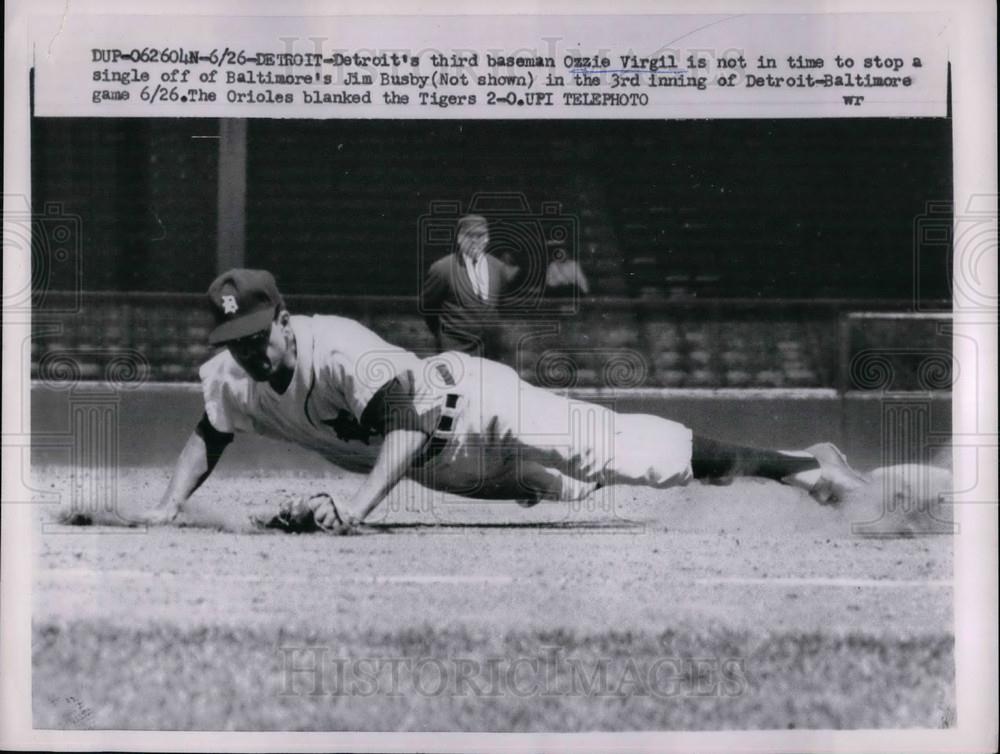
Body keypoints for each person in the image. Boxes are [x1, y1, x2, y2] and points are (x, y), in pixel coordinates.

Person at [143, 268, 867, 530]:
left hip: (477, 406)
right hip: (452, 467)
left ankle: (800, 465)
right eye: (231, 335)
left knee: (623, 454)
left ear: (284, 316)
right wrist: (168, 505)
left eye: (253, 331)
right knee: (573, 491)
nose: (242, 347)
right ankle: (794, 463)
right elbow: (209, 433)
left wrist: (356, 511)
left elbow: (401, 422)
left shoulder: (337, 347)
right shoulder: (233, 375)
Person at [421, 214, 518, 361]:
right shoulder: (443, 269)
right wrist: (445, 336)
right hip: (456, 353)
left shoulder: (498, 268)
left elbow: (500, 306)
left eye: (480, 235)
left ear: (487, 238)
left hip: (491, 353)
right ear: (459, 239)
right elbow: (428, 308)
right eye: (469, 236)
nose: (475, 241)